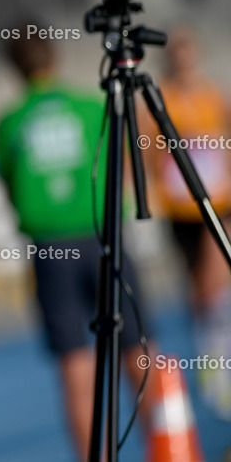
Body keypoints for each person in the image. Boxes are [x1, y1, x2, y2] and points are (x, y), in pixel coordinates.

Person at [0, 24, 152, 456]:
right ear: (55, 56)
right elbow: (122, 164)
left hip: (51, 248)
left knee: (75, 365)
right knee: (139, 351)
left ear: (13, 67)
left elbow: (9, 184)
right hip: (106, 240)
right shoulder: (90, 104)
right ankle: (170, 448)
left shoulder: (9, 122)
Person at [144, 26, 231, 416]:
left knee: (216, 290)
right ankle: (212, 363)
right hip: (181, 211)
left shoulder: (212, 95)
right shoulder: (161, 99)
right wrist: (155, 184)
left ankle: (218, 366)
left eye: (187, 49)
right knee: (197, 294)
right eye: (176, 50)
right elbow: (146, 149)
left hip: (219, 204)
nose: (182, 57)